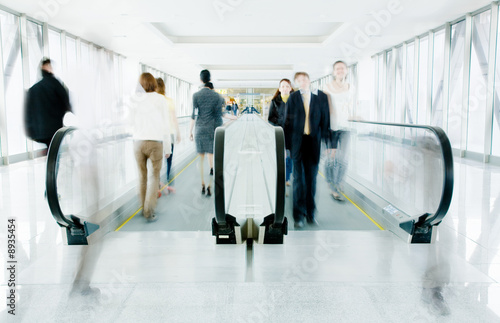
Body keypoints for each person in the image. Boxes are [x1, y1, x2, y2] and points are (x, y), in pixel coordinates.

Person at [284, 72, 332, 229]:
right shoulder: (293, 98)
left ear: (309, 81)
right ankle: (298, 215)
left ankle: (310, 213)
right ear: (296, 83)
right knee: (298, 180)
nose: (302, 82)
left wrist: (328, 144)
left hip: (313, 144)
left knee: (312, 180)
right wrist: (287, 146)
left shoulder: (320, 98)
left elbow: (325, 121)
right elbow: (287, 122)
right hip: (297, 143)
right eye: (299, 80)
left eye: (304, 79)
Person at [128, 73, 171, 222]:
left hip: (138, 142)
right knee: (154, 177)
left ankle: (142, 207)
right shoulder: (160, 99)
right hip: (155, 142)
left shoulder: (134, 99)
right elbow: (166, 125)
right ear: (153, 83)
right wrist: (168, 148)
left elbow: (129, 122)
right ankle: (149, 210)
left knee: (142, 176)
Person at [189, 70, 236, 197]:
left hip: (199, 130)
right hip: (212, 130)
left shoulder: (195, 96)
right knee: (212, 159)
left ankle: (202, 184)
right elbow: (222, 114)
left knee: (201, 158)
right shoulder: (218, 97)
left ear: (201, 80)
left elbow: (193, 116)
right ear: (210, 79)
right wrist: (234, 118)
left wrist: (190, 131)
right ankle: (210, 185)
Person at [323, 61, 354, 201]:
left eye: (342, 68)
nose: (340, 70)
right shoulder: (327, 87)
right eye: (337, 68)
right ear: (334, 72)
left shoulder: (350, 87)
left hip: (346, 126)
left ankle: (338, 182)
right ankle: (331, 185)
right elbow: (324, 108)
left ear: (346, 70)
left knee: (343, 159)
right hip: (331, 128)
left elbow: (352, 105)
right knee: (331, 158)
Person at [24, 57, 71, 150]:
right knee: (54, 147)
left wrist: (30, 128)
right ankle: (53, 163)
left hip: (40, 129)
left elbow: (29, 110)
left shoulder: (33, 89)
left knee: (50, 148)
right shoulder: (55, 84)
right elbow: (65, 100)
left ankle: (50, 162)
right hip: (54, 126)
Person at [156, 77, 181, 195]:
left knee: (156, 161)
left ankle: (156, 185)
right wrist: (178, 133)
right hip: (169, 133)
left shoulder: (153, 101)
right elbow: (174, 119)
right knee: (169, 160)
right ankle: (170, 183)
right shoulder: (169, 101)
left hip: (156, 135)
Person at [268, 79, 294, 188]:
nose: (285, 88)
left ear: (290, 88)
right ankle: (280, 176)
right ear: (279, 88)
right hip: (279, 134)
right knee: (280, 157)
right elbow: (270, 118)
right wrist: (281, 122)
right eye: (282, 86)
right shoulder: (274, 101)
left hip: (292, 135)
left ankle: (286, 177)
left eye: (287, 86)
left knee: (289, 158)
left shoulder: (295, 101)